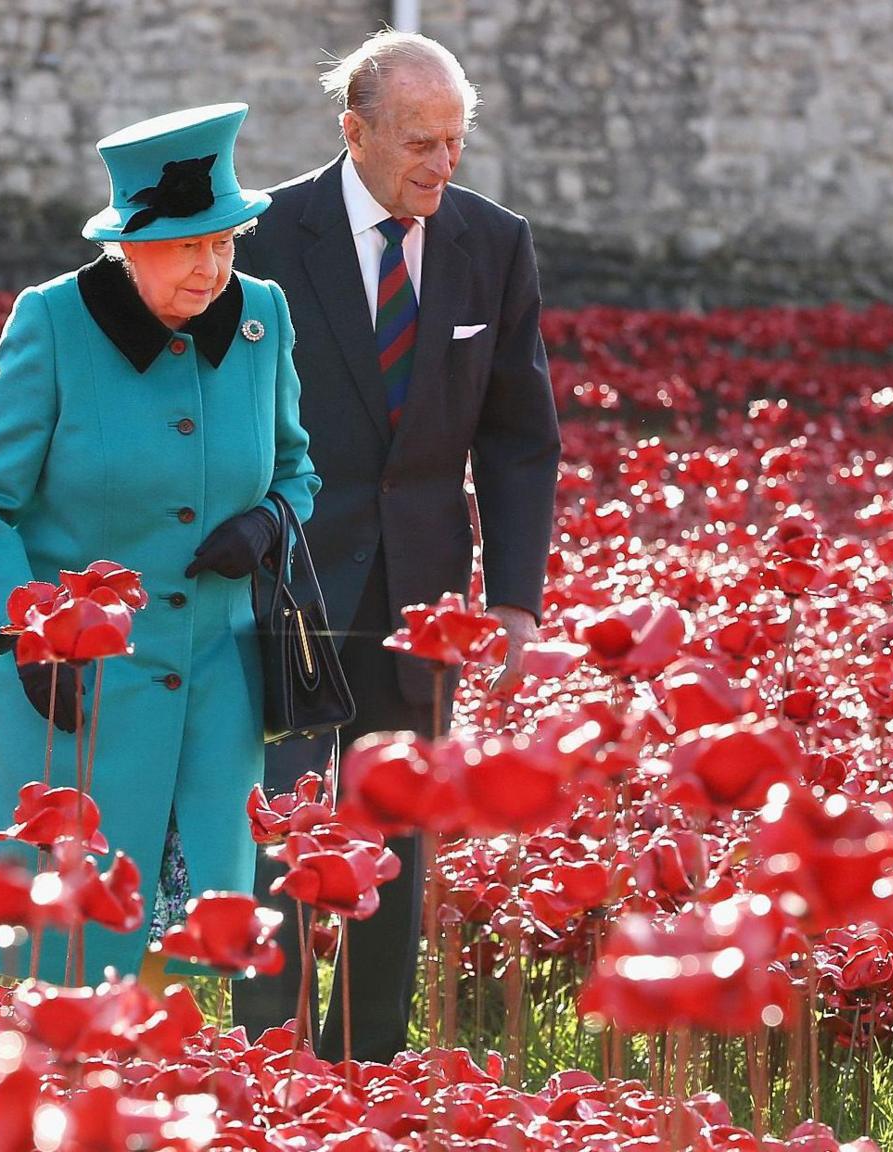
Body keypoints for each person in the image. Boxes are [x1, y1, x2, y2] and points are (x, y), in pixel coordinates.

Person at [231, 30, 562, 1061]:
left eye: (454, 142)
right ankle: (268, 1057)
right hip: (282, 584)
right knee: (278, 826)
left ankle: (367, 1058)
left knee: (396, 836)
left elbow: (518, 437)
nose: (439, 163)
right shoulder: (263, 235)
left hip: (422, 592)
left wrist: (512, 599)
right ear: (354, 132)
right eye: (419, 141)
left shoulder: (491, 243)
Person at [0, 103, 319, 990]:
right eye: (189, 245)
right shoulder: (53, 325)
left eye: (226, 241)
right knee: (61, 966)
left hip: (216, 702)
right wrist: (23, 632)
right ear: (130, 245)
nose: (213, 265)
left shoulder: (262, 318)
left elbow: (298, 470)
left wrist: (267, 521)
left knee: (174, 973)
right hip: (79, 698)